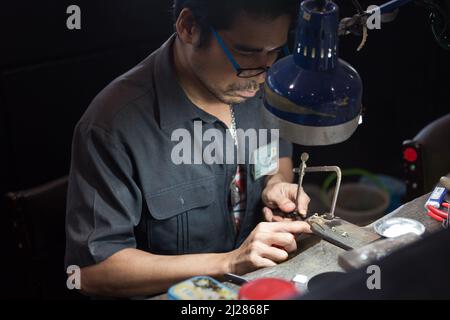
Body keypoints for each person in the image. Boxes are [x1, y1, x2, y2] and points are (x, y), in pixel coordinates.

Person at [65, 0, 312, 298]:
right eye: (245, 52)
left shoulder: (263, 86)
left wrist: (275, 184)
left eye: (274, 50)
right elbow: (92, 271)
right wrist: (229, 262)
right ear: (189, 27)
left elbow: (277, 154)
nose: (262, 73)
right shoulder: (112, 125)